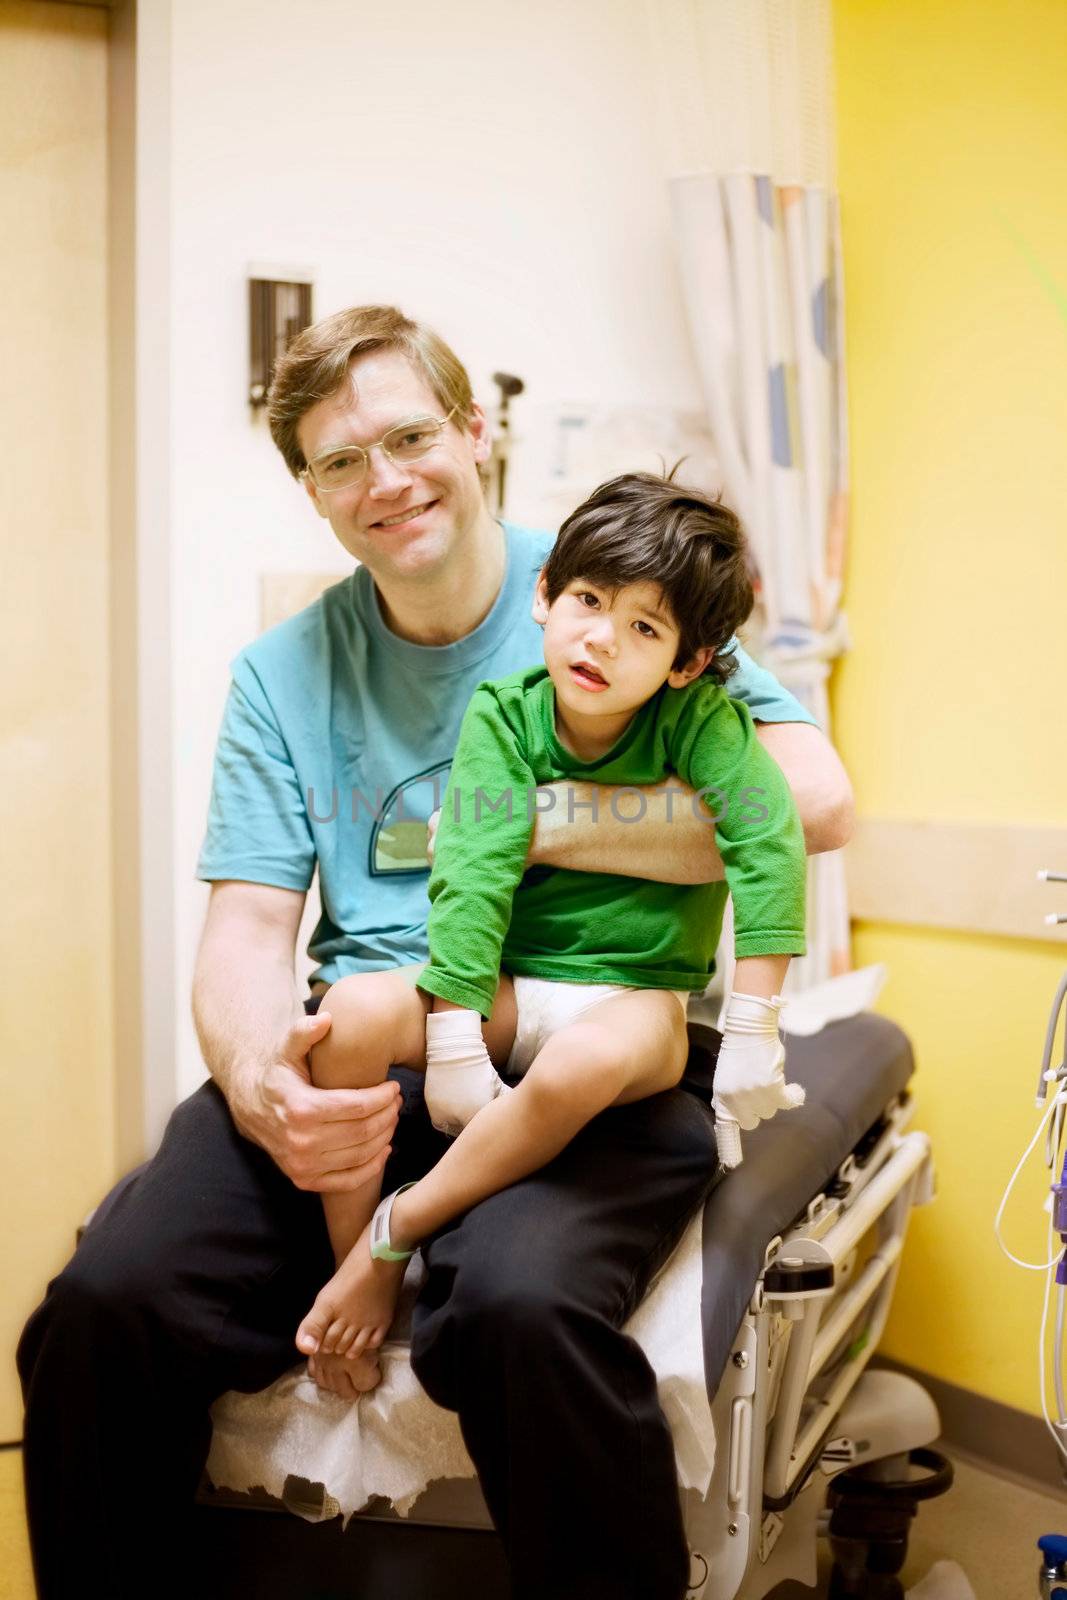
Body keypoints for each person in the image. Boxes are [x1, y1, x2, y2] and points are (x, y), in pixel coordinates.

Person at [16, 304, 853, 1600]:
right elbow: (243, 931)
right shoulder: (281, 675)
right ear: (310, 489)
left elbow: (812, 802)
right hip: (375, 1046)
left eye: (409, 435)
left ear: (475, 433)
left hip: (589, 1041)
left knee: (515, 1314)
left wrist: (526, 825)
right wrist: (263, 1090)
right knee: (102, 1311)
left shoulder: (618, 587)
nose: (384, 479)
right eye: (340, 460)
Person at [294, 469, 809, 1373]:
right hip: (511, 984)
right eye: (587, 600)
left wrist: (755, 1024)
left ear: (685, 661)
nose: (602, 639)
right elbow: (472, 871)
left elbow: (768, 843)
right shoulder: (503, 714)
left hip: (634, 1002)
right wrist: (452, 1031)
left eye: (644, 628)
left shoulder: (701, 721)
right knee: (344, 1019)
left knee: (580, 1060)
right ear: (545, 595)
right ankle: (354, 1273)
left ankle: (397, 1227)